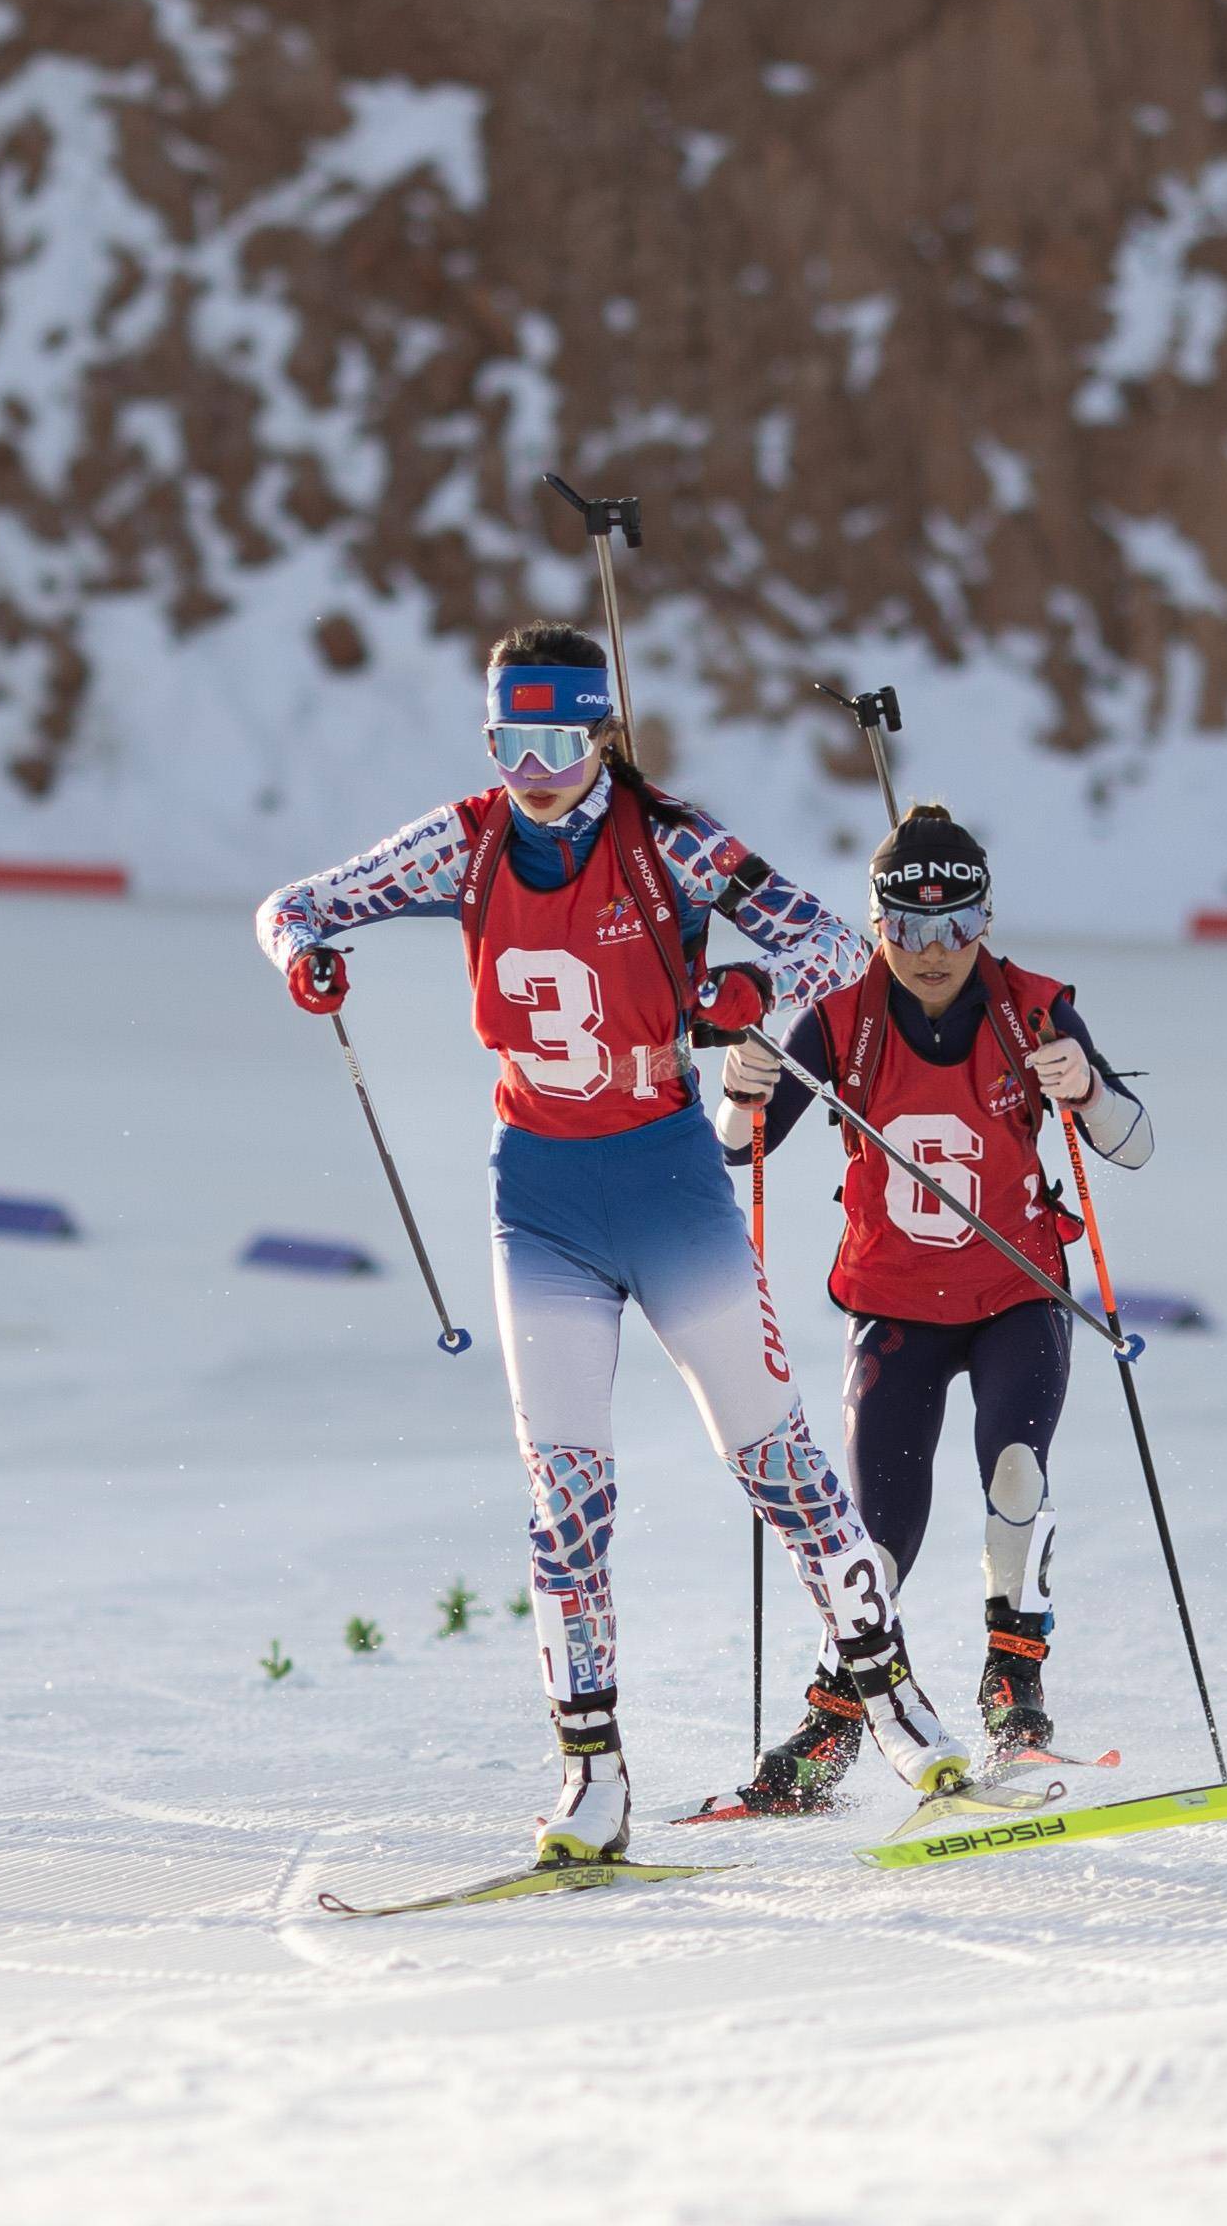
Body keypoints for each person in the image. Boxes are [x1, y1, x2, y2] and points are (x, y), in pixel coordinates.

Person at [255, 623, 972, 1864]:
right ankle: (593, 1772)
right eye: (507, 742)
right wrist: (304, 958)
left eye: (556, 741)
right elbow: (292, 904)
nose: (533, 769)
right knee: (566, 1500)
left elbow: (837, 948)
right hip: (539, 1194)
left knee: (780, 1466)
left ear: (599, 735)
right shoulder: (467, 839)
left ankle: (899, 1707)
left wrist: (733, 994)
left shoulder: (672, 845)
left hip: (668, 1180)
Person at [696, 804, 1152, 1814]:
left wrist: (1082, 1089)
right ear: (877, 924)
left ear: (985, 920)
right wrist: (739, 1084)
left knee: (1016, 1469)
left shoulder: (1028, 1009)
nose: (933, 950)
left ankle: (1016, 1694)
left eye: (956, 926)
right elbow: (738, 1148)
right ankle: (831, 1725)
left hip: (1016, 1293)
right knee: (878, 1534)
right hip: (895, 1307)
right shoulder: (839, 1018)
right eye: (908, 926)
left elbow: (1134, 1142)